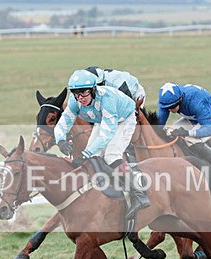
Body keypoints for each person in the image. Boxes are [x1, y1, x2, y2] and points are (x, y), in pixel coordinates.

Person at [54, 68, 150, 219]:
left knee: (111, 154)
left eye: (84, 92)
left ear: (93, 89)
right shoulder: (75, 100)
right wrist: (60, 140)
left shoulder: (107, 99)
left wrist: (85, 154)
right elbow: (64, 122)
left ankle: (138, 194)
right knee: (95, 155)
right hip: (102, 120)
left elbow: (106, 135)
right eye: (76, 93)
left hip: (124, 119)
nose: (80, 98)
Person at [155, 82, 211, 165]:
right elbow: (158, 125)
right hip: (192, 118)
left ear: (180, 100)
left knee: (191, 140)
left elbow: (209, 130)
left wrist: (187, 133)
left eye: (172, 107)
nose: (169, 110)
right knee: (170, 132)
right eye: (166, 108)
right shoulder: (168, 101)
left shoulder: (196, 103)